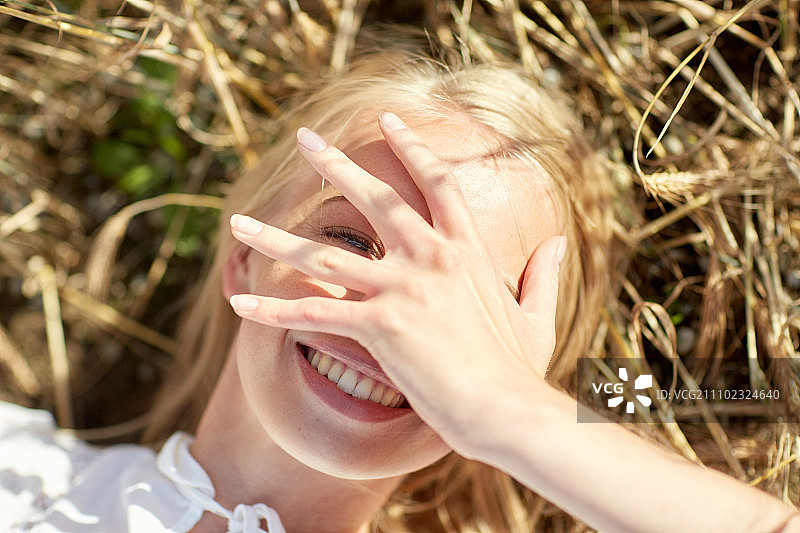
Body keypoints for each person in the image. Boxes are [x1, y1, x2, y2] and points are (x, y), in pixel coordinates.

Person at [1, 50, 798, 533]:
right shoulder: (19, 470)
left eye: (466, 297)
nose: (389, 315)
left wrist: (512, 414)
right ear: (244, 257)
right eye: (348, 240)